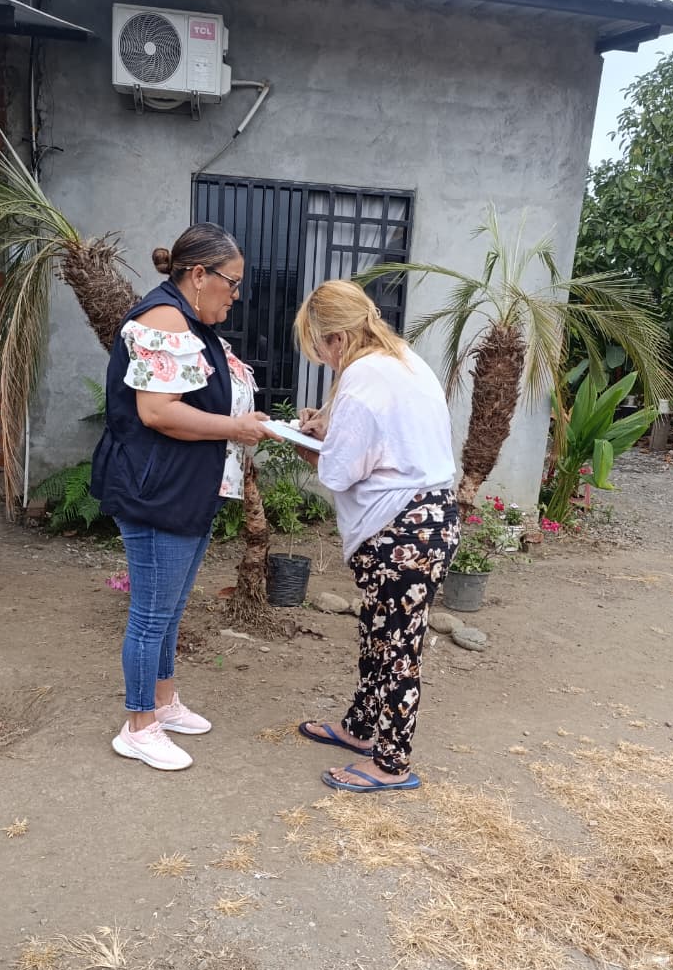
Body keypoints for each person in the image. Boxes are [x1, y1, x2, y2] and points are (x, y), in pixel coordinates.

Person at [91, 223, 276, 771]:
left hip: (186, 487)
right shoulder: (164, 319)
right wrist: (234, 427)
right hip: (158, 491)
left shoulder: (192, 321)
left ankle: (164, 702)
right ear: (198, 275)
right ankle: (138, 725)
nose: (236, 295)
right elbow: (157, 411)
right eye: (231, 283)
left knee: (169, 610)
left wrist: (245, 421)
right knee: (151, 614)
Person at [294, 280, 460, 792]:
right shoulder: (403, 359)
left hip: (401, 530)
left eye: (320, 347)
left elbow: (339, 471)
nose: (323, 359)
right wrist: (329, 431)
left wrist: (304, 442)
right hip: (430, 519)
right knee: (379, 631)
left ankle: (392, 763)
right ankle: (360, 728)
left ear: (338, 338)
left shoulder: (362, 376)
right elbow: (386, 442)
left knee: (397, 646)